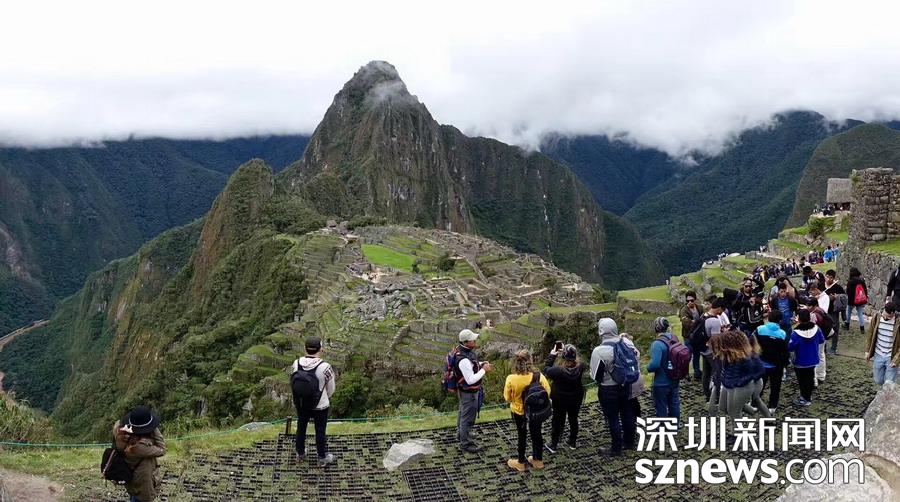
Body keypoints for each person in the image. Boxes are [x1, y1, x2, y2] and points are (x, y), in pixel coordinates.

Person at [590, 318, 637, 456]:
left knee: (613, 418)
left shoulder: (599, 351)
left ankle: (616, 448)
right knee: (628, 413)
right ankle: (629, 442)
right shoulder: (626, 343)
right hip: (626, 384)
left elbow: (595, 375)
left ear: (601, 332)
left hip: (608, 389)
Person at [292, 336, 337, 467]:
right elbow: (331, 388)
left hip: (302, 403)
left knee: (301, 427)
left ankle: (300, 453)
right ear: (321, 349)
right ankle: (322, 457)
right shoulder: (325, 367)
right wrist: (324, 397)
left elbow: (294, 383)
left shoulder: (296, 363)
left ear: (305, 348)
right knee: (320, 430)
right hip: (320, 405)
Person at [504, 349, 550, 471]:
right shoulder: (538, 376)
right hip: (535, 411)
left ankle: (520, 462)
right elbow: (547, 392)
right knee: (537, 434)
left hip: (519, 411)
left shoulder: (511, 378)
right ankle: (538, 461)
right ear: (530, 360)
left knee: (522, 435)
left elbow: (507, 398)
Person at [715, 330, 772, 430]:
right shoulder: (730, 354)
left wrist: (741, 381)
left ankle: (738, 433)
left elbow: (759, 372)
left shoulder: (748, 357)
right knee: (724, 407)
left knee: (735, 411)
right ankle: (752, 411)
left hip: (744, 385)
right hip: (731, 383)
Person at [112, 406, 166, 502]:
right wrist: (153, 428)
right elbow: (162, 449)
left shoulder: (122, 436)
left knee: (134, 496)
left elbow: (118, 423)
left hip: (133, 479)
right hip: (143, 484)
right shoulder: (140, 447)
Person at [453, 329, 493, 453]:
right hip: (468, 393)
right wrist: (484, 370)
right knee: (467, 418)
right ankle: (465, 444)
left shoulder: (462, 352)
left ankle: (461, 434)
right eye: (472, 340)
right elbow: (470, 380)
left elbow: (470, 365)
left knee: (463, 413)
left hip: (464, 391)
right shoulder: (463, 359)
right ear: (465, 342)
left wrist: (481, 364)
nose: (475, 341)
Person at [543, 343, 587, 452]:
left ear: (563, 357)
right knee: (573, 419)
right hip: (575, 398)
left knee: (557, 420)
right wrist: (568, 351)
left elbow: (547, 369)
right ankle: (572, 442)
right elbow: (579, 361)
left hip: (560, 399)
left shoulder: (558, 371)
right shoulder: (581, 367)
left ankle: (554, 444)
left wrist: (553, 355)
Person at [646, 317, 681, 420]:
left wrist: (647, 368)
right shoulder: (674, 338)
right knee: (674, 403)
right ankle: (675, 425)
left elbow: (655, 364)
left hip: (661, 381)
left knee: (661, 406)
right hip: (674, 378)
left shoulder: (657, 344)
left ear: (656, 328)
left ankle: (663, 425)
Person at [788, 310, 825, 406]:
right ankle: (808, 396)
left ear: (799, 319)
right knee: (810, 378)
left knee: (802, 381)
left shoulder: (796, 333)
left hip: (800, 361)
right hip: (813, 359)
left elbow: (790, 347)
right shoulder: (816, 328)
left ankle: (804, 399)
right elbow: (821, 340)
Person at [756, 310, 789, 413]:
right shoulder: (782, 334)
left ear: (769, 318)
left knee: (759, 385)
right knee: (775, 386)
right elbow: (785, 351)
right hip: (777, 365)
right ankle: (772, 406)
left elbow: (753, 344)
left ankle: (755, 403)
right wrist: (785, 364)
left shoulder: (759, 329)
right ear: (780, 320)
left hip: (761, 363)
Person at [865, 302, 900, 386]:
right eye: (884, 315)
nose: (885, 317)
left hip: (891, 357)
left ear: (893, 313)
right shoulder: (877, 317)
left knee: (889, 383)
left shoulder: (898, 322)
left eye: (888, 317)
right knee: (878, 380)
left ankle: (888, 393)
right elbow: (870, 333)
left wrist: (897, 359)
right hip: (878, 354)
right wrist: (867, 351)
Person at [679, 291, 704, 380]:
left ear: (695, 300)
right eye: (688, 301)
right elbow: (686, 324)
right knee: (688, 355)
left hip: (698, 337)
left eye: (692, 300)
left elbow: (704, 319)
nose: (690, 302)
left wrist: (694, 321)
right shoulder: (683, 310)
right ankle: (685, 373)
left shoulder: (700, 308)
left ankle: (697, 372)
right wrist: (697, 322)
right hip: (688, 337)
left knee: (697, 354)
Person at [823, 270, 846, 355]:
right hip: (823, 311)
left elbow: (844, 298)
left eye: (831, 277)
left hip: (833, 311)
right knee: (823, 330)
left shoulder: (838, 287)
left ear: (834, 278)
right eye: (827, 277)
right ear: (825, 276)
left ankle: (833, 348)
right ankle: (823, 348)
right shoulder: (821, 285)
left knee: (835, 329)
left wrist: (837, 297)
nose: (829, 279)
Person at [845, 267, 869, 334]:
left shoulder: (850, 281)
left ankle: (847, 325)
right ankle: (862, 328)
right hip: (860, 300)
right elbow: (865, 290)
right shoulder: (861, 280)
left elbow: (848, 291)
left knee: (848, 311)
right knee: (860, 314)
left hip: (851, 300)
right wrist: (865, 297)